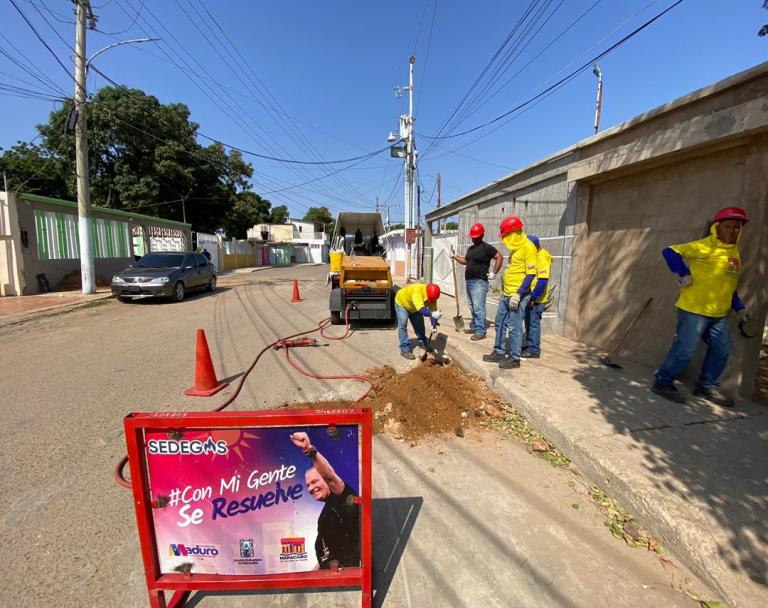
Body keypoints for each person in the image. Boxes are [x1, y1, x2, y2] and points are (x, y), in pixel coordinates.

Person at [651, 206, 752, 407]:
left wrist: (739, 307)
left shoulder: (734, 253)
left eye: (736, 227)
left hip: (719, 314)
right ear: (717, 227)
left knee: (722, 351)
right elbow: (669, 251)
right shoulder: (704, 246)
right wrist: (683, 273)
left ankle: (705, 386)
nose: (732, 230)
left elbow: (728, 285)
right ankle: (662, 381)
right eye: (728, 226)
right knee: (685, 350)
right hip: (693, 310)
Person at [290, 431, 360, 570]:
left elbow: (330, 476)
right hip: (330, 577)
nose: (311, 488)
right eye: (308, 485)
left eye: (314, 482)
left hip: (349, 575)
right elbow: (326, 553)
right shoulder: (324, 517)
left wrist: (310, 451)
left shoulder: (343, 498)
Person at [483, 217, 537, 369]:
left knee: (514, 326)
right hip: (507, 294)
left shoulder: (528, 247)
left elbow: (531, 274)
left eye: (506, 236)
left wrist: (518, 294)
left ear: (514, 233)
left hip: (518, 295)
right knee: (499, 322)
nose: (505, 239)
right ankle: (499, 351)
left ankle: (515, 358)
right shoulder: (516, 248)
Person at [452, 223, 503, 341]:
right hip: (469, 281)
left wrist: (494, 272)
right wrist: (454, 256)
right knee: (471, 306)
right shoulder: (471, 249)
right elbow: (466, 261)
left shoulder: (486, 248)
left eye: (476, 237)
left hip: (479, 282)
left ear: (482, 236)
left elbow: (499, 257)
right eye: (473, 237)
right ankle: (475, 326)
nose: (474, 239)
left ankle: (481, 331)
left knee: (478, 307)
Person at [394, 282, 443, 359]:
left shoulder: (433, 297)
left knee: (420, 325)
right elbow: (421, 309)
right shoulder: (417, 291)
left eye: (433, 300)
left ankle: (423, 343)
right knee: (403, 324)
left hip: (414, 307)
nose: (432, 302)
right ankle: (404, 350)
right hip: (402, 303)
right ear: (427, 293)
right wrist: (432, 314)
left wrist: (433, 324)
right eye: (431, 300)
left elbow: (433, 311)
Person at [522, 235, 552, 359]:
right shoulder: (534, 256)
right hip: (531, 297)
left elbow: (543, 280)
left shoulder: (543, 256)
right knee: (529, 322)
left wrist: (533, 298)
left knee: (533, 323)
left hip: (537, 299)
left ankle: (534, 350)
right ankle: (530, 345)